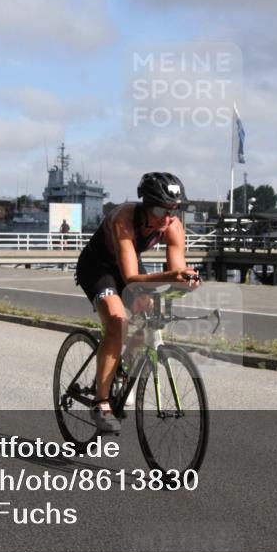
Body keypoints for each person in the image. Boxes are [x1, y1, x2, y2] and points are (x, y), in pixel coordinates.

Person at [74, 172, 199, 432]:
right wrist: (171, 276)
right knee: (117, 321)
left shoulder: (173, 226)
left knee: (151, 316)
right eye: (158, 209)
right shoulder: (124, 219)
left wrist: (185, 283)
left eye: (173, 210)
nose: (166, 218)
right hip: (98, 268)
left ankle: (123, 369)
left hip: (128, 264)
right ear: (144, 205)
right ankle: (101, 401)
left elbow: (175, 272)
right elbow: (131, 277)